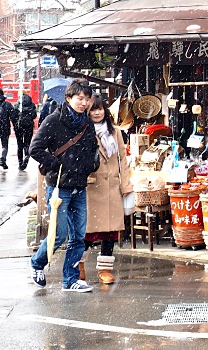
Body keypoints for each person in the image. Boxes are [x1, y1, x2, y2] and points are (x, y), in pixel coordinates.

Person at [28, 80, 99, 293]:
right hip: (59, 187)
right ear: (69, 98)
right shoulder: (53, 121)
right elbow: (35, 148)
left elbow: (92, 148)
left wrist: (92, 165)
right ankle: (37, 263)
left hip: (80, 185)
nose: (83, 103)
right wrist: (55, 163)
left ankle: (70, 279)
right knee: (58, 234)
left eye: (87, 99)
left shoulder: (87, 123)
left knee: (79, 235)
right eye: (80, 98)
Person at [83, 94, 133, 284]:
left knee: (110, 232)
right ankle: (78, 265)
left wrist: (125, 184)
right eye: (93, 109)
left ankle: (105, 269)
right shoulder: (84, 131)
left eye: (100, 108)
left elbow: (122, 159)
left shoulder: (116, 132)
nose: (97, 112)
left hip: (112, 187)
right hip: (91, 187)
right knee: (88, 232)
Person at [14, 93, 38, 170]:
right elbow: (34, 116)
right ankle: (26, 158)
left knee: (20, 144)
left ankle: (20, 162)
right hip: (29, 125)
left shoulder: (17, 104)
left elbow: (14, 116)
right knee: (27, 144)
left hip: (19, 126)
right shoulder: (32, 105)